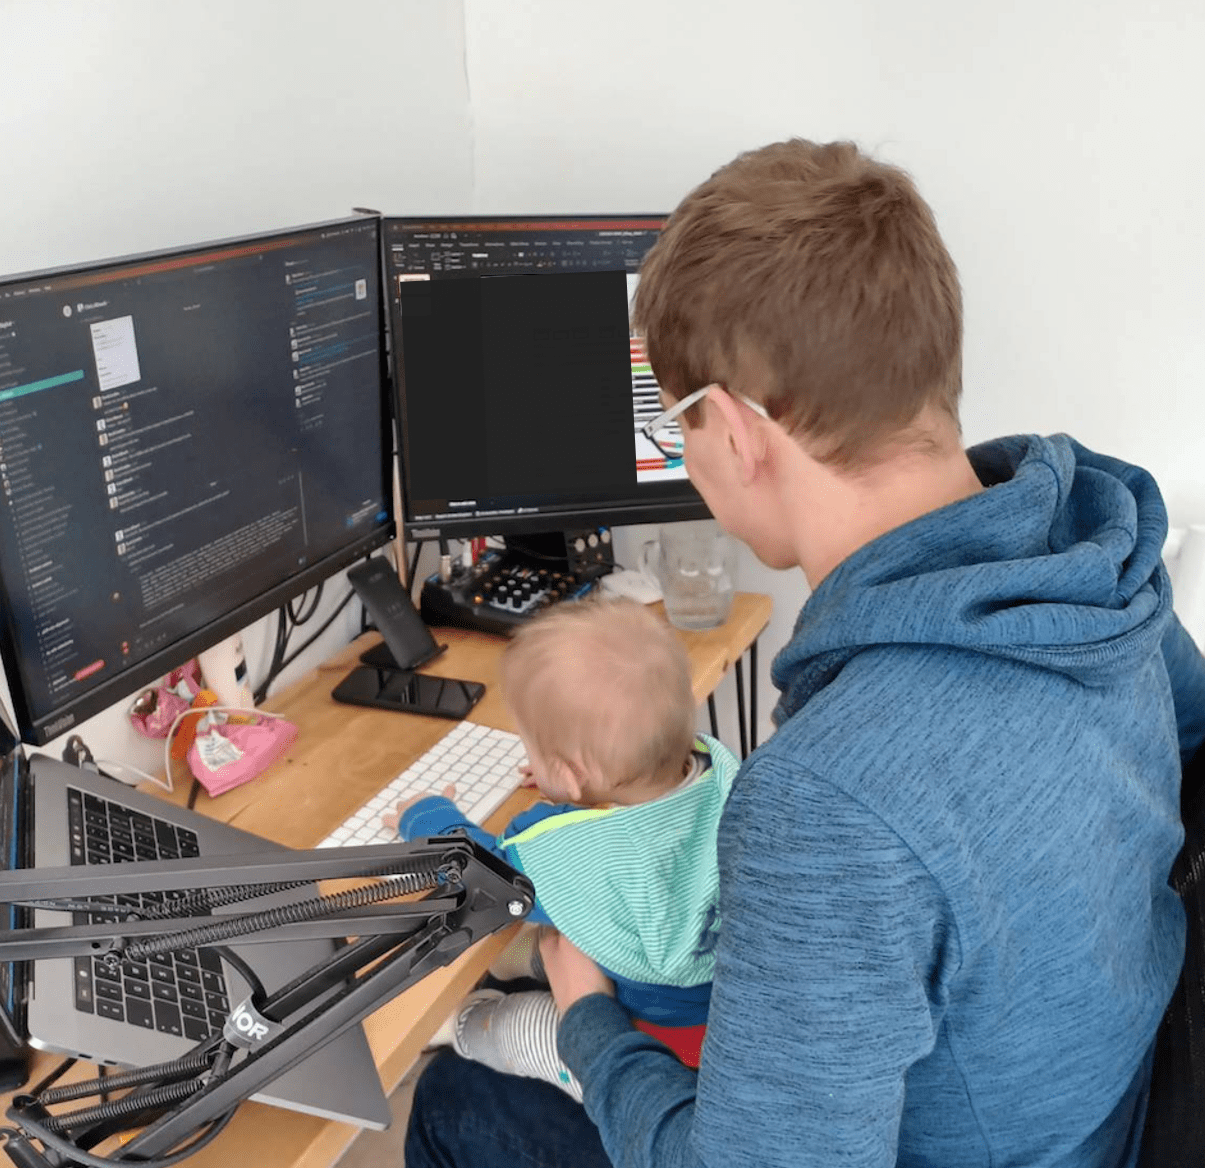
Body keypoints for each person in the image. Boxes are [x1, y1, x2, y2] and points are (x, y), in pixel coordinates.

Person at [404, 139, 1205, 1168]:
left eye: (674, 422)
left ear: (736, 432)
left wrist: (588, 1023)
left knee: (454, 1097)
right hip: (1107, 1113)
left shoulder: (828, 797)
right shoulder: (1103, 574)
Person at [386, 596, 740, 1100]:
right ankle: (513, 972)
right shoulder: (719, 772)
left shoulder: (585, 854)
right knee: (545, 940)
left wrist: (421, 815)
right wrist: (581, 777)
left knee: (522, 1028)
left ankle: (464, 1024)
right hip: (728, 1002)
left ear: (575, 776)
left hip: (663, 1045)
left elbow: (477, 869)